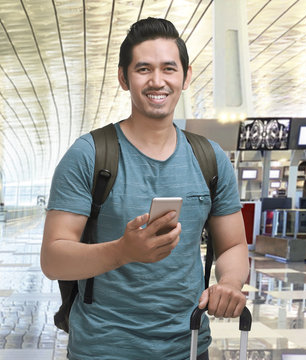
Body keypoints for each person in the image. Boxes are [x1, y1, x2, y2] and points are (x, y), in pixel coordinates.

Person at [41, 17, 249, 360]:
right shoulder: (90, 155)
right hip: (103, 349)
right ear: (124, 77)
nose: (158, 81)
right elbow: (53, 258)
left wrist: (229, 283)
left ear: (186, 75)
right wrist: (123, 250)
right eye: (143, 69)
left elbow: (233, 245)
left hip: (190, 344)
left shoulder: (210, 159)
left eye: (169, 68)